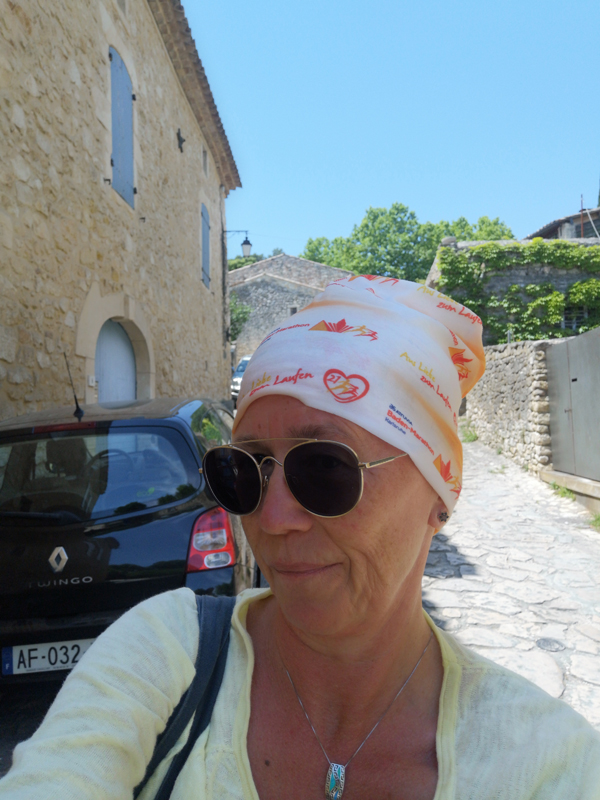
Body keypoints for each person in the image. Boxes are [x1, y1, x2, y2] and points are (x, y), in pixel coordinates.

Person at [1, 275, 599, 800]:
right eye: (246, 469)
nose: (274, 518)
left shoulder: (549, 762)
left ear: (438, 499)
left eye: (326, 469)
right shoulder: (166, 652)